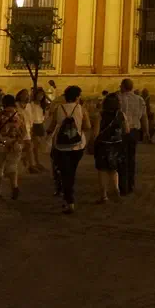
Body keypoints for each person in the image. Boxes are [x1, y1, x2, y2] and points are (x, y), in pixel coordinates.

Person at [46, 85, 90, 213]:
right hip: (77, 145)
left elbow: (52, 126)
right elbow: (87, 126)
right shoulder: (81, 109)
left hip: (61, 146)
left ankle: (69, 200)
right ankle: (69, 196)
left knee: (65, 172)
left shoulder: (59, 108)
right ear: (77, 97)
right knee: (71, 172)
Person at [91, 92, 126, 204]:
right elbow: (127, 130)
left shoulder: (99, 115)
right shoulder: (121, 114)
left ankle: (104, 196)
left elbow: (95, 134)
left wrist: (92, 143)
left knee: (102, 170)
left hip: (103, 145)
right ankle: (116, 190)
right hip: (116, 145)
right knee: (114, 170)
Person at [116, 78, 150, 196]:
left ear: (123, 86)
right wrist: (146, 131)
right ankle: (131, 184)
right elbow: (144, 117)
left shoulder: (118, 99)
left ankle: (122, 186)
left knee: (121, 158)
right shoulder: (139, 99)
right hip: (134, 132)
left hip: (121, 132)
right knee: (131, 158)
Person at [0, 95, 28, 200]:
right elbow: (24, 131)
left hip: (0, 144)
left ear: (3, 103)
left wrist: (4, 141)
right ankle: (14, 186)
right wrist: (17, 141)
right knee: (13, 166)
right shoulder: (20, 115)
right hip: (15, 144)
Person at [28, 87, 49, 172]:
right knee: (35, 145)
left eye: (42, 95)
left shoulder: (43, 105)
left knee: (38, 146)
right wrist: (31, 127)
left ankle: (31, 161)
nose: (40, 96)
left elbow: (44, 116)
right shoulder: (31, 104)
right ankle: (36, 163)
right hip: (34, 125)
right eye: (39, 94)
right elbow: (30, 116)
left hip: (40, 125)